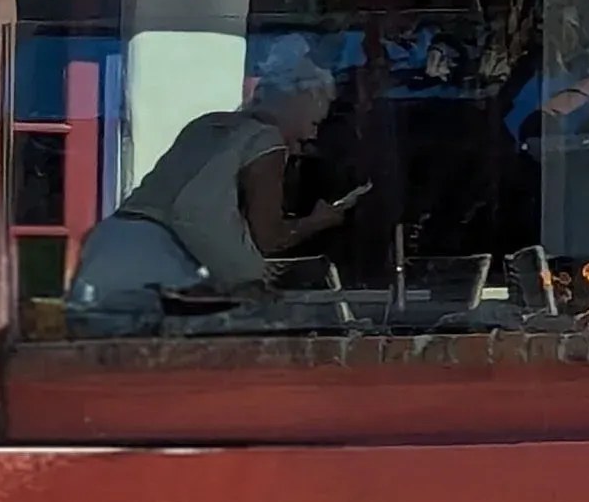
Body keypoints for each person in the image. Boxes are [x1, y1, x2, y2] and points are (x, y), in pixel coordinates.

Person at [65, 39, 368, 330]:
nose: (312, 137)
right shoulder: (265, 139)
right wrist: (318, 222)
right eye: (315, 123)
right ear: (300, 100)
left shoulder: (209, 124)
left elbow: (196, 208)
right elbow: (267, 238)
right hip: (152, 266)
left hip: (111, 244)